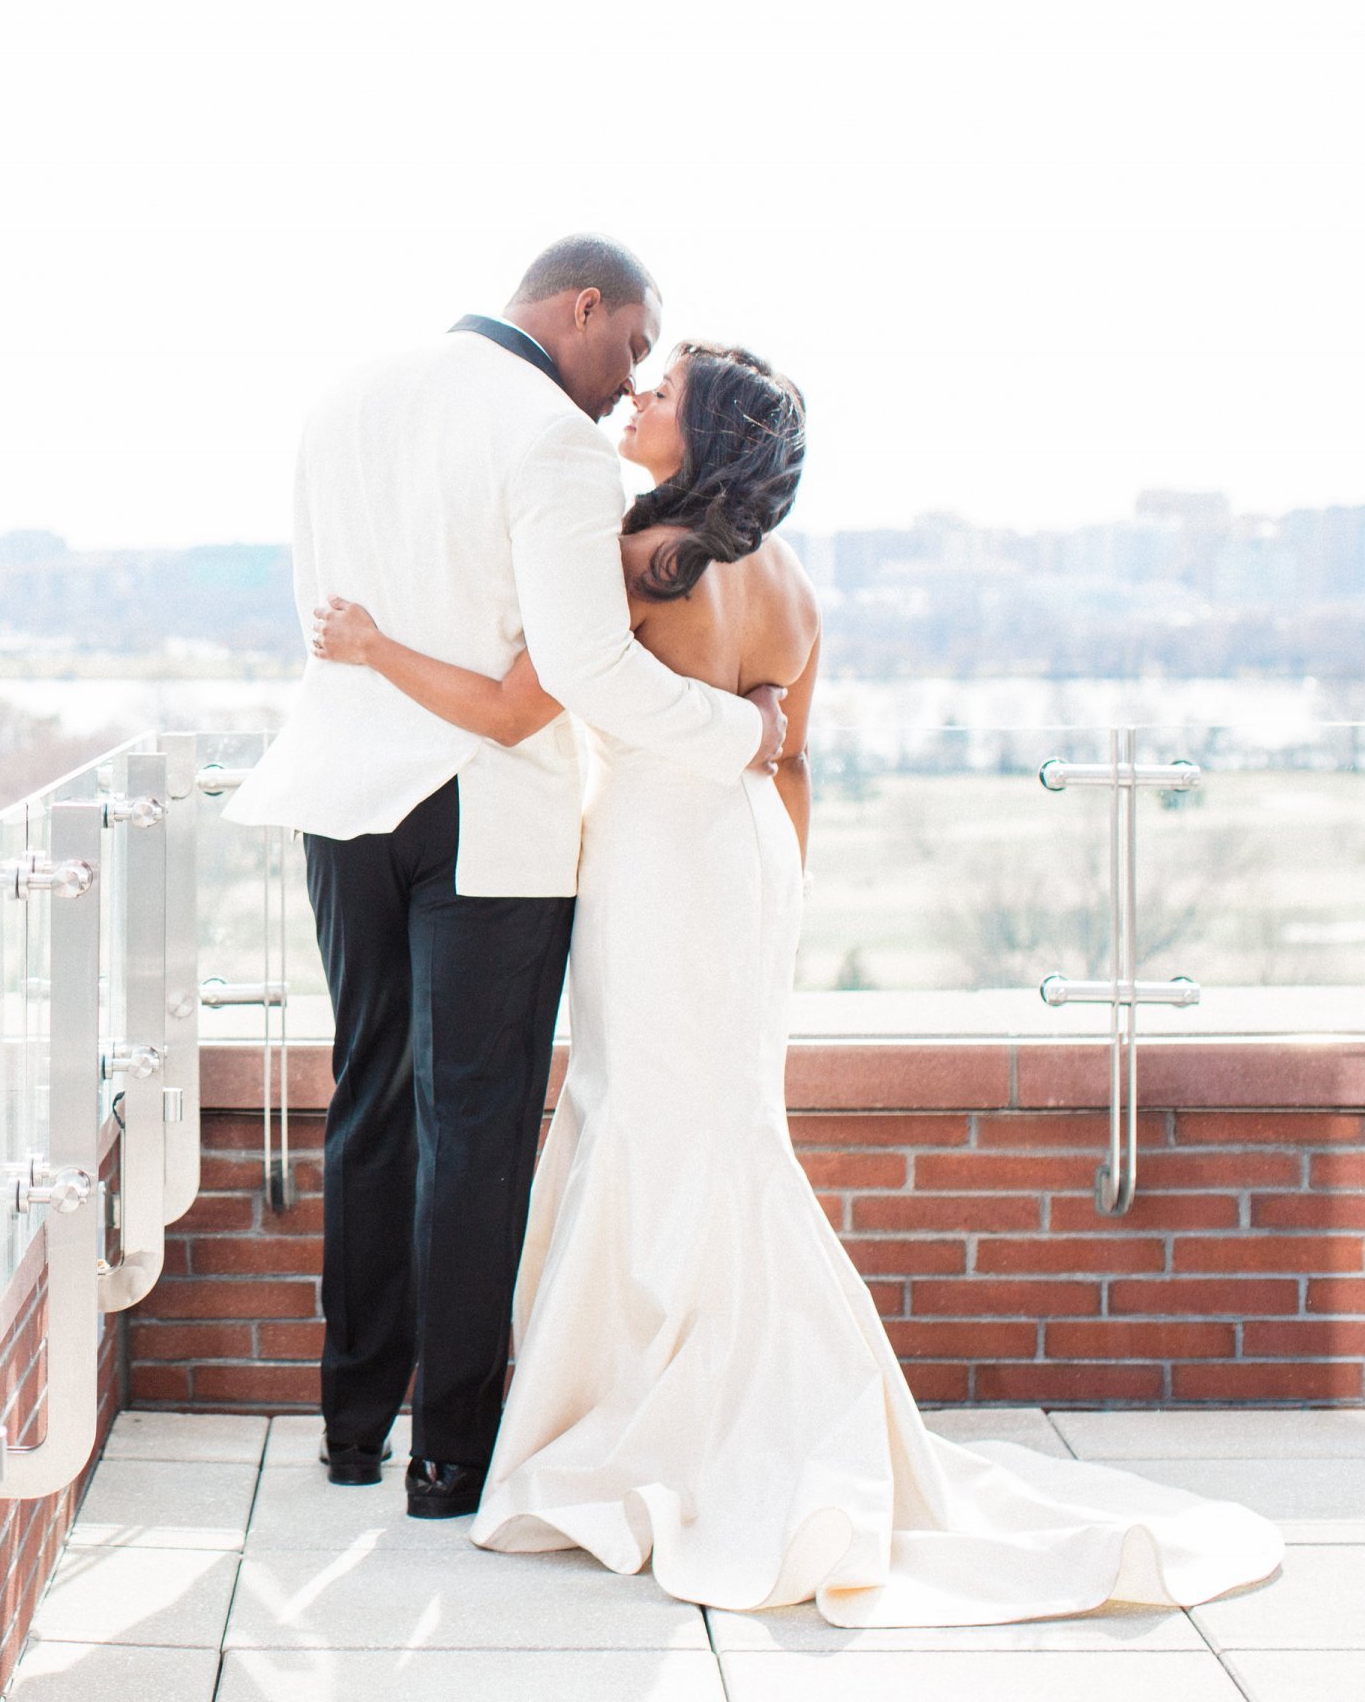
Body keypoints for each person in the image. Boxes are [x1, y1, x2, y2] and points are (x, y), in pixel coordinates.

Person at [308, 330, 1284, 1623]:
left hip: (658, 853)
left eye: (660, 397)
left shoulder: (631, 562)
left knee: (638, 1116)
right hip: (748, 860)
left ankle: (642, 1401)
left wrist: (373, 645)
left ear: (697, 436)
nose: (636, 401)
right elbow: (792, 764)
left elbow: (516, 706)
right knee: (727, 1123)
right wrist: (778, 901)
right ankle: (735, 1380)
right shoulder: (798, 586)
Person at [221, 235, 789, 1518]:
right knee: (474, 1128)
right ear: (582, 306)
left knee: (368, 1095)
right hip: (488, 816)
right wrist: (743, 737)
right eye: (632, 345)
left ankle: (353, 1426)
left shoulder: (343, 395)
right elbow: (580, 673)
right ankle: (450, 1456)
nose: (627, 379)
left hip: (344, 794)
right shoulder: (554, 440)